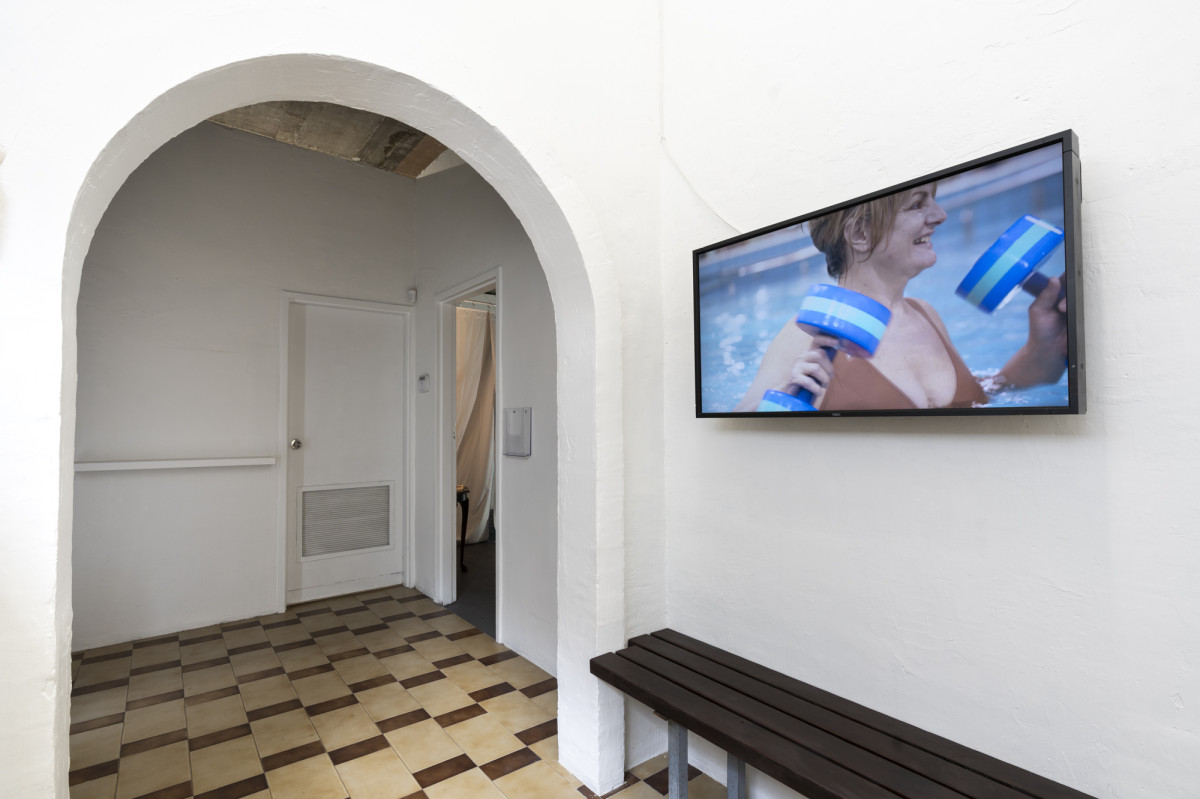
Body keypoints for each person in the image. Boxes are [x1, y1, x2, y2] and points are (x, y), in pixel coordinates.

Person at [734, 185, 1068, 412]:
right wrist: (782, 395)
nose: (940, 215)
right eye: (918, 204)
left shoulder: (926, 314)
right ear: (861, 234)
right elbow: (741, 431)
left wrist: (1043, 348)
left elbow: (984, 397)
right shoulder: (805, 336)